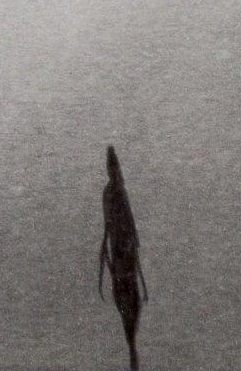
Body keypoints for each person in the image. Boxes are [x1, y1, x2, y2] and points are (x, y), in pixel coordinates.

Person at [99, 146, 148, 371]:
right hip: (121, 252)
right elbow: (111, 224)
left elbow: (127, 222)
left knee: (129, 296)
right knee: (127, 296)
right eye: (114, 169)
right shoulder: (111, 193)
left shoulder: (116, 192)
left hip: (124, 252)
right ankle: (131, 349)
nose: (116, 172)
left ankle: (132, 349)